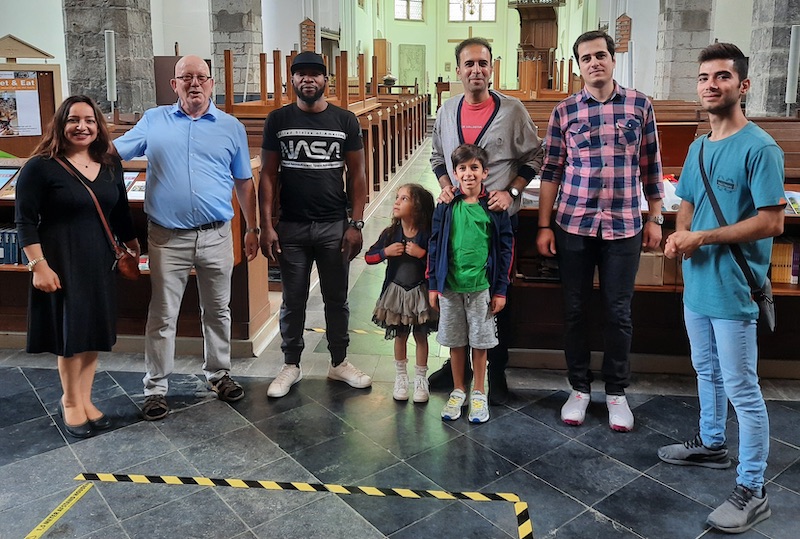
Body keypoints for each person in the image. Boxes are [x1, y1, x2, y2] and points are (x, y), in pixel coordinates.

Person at [657, 43, 785, 534]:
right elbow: (687, 201)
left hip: (734, 287)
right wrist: (679, 236)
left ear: (743, 85)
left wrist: (702, 238)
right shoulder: (699, 146)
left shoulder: (760, 148)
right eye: (704, 77)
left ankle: (753, 489)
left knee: (743, 389)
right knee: (705, 369)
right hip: (698, 285)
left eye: (722, 76)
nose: (711, 85)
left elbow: (772, 222)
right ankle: (712, 443)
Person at [114, 55, 259, 420]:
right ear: (174, 84)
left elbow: (244, 181)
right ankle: (156, 388)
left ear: (211, 83)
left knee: (218, 310)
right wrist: (71, 149)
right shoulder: (154, 121)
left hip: (216, 235)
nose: (194, 83)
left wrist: (252, 227)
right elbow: (114, 152)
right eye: (186, 77)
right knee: (163, 314)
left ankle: (219, 374)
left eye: (201, 77)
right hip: (167, 238)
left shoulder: (230, 127)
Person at [536, 30, 665, 432]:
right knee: (575, 310)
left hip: (624, 225)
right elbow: (551, 171)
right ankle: (578, 388)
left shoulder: (639, 105)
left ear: (612, 59)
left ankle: (616, 393)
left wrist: (655, 217)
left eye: (600, 55)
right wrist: (544, 224)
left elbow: (651, 165)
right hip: (573, 223)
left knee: (618, 312)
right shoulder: (564, 111)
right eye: (586, 58)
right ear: (579, 65)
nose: (594, 63)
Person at [16, 95, 140, 438]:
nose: (82, 127)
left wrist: (133, 245)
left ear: (98, 126)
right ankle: (70, 401)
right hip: (61, 260)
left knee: (92, 332)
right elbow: (25, 221)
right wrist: (39, 266)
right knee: (71, 335)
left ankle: (85, 399)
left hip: (100, 261)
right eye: (73, 120)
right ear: (61, 124)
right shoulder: (40, 167)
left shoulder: (109, 164)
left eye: (89, 120)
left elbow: (119, 211)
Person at [429, 37, 543, 404]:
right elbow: (437, 157)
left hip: (495, 222)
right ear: (458, 70)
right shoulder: (447, 111)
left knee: (494, 297)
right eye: (469, 64)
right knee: (456, 293)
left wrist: (512, 191)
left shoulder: (511, 111)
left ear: (492, 68)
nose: (476, 70)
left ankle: (495, 371)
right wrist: (446, 186)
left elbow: (535, 156)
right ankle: (457, 370)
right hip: (457, 222)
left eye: (482, 63)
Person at [259, 51, 371, 398]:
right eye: (301, 74)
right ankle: (291, 365)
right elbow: (268, 175)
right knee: (292, 300)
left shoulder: (344, 120)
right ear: (291, 80)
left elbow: (357, 175)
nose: (308, 79)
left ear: (326, 80)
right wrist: (266, 225)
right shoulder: (278, 120)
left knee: (336, 299)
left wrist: (356, 223)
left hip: (333, 225)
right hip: (292, 226)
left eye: (315, 74)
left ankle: (339, 362)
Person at [428, 144, 514, 423]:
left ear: (485, 172)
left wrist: (500, 290)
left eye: (474, 168)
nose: (468, 174)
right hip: (450, 287)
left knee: (480, 342)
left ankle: (478, 392)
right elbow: (434, 246)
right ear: (454, 173)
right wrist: (433, 285)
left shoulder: (494, 208)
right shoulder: (446, 206)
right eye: (462, 168)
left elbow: (505, 249)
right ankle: (458, 390)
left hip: (481, 288)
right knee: (455, 342)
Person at [365, 183, 437, 403]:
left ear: (418, 206)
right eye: (397, 197)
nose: (396, 202)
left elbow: (438, 261)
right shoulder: (391, 233)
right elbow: (369, 257)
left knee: (421, 335)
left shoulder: (428, 234)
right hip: (396, 294)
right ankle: (401, 378)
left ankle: (421, 380)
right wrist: (385, 252)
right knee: (400, 335)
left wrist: (422, 254)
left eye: (403, 198)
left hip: (420, 293)